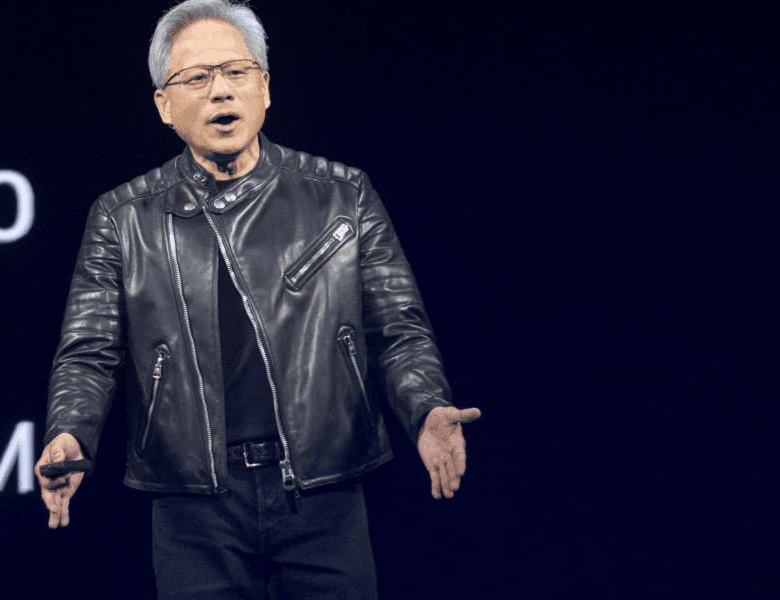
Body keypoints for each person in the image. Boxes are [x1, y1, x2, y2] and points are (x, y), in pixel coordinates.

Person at [35, 1, 481, 597]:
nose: (221, 90)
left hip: (322, 491)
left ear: (265, 87)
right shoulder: (123, 217)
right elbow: (89, 351)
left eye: (236, 72)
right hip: (195, 506)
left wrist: (426, 407)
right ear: (164, 105)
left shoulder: (341, 195)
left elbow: (398, 327)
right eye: (197, 77)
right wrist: (70, 431)